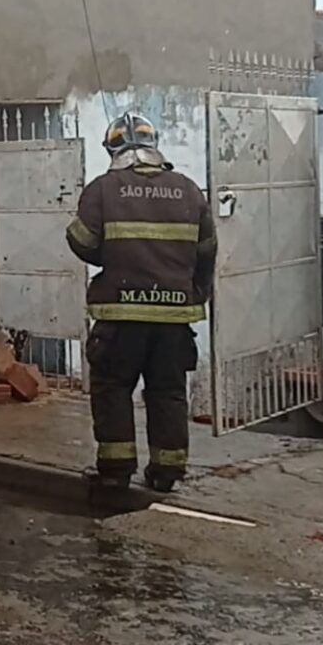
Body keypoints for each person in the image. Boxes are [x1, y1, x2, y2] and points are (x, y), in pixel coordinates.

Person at [65, 112, 217, 493]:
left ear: (112, 149)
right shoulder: (189, 190)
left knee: (113, 389)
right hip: (174, 319)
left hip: (120, 315)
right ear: (154, 145)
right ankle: (166, 472)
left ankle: (115, 472)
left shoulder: (103, 189)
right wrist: (196, 292)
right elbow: (207, 251)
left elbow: (82, 242)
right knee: (168, 392)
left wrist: (113, 254)